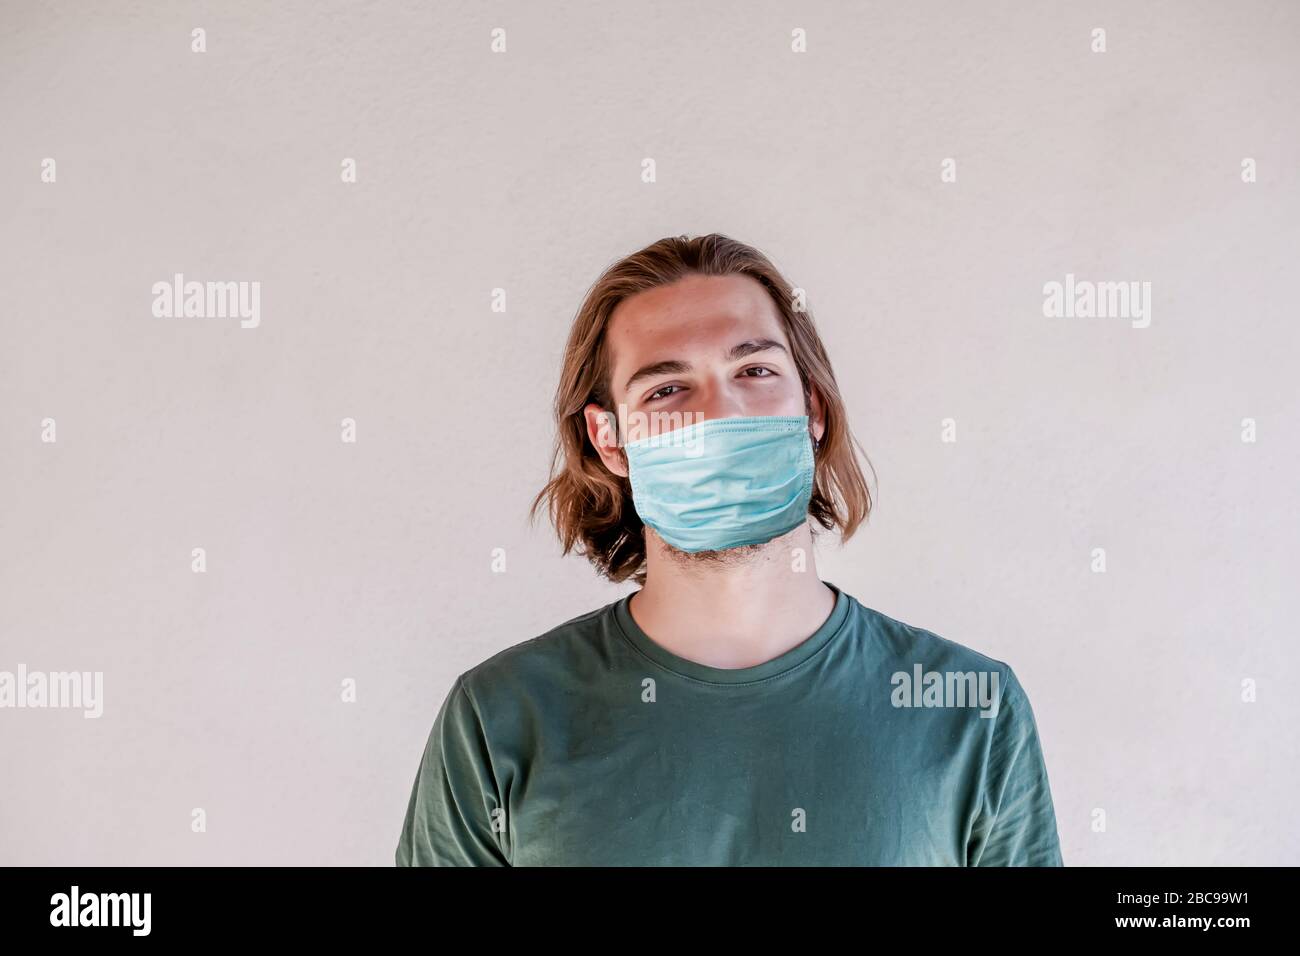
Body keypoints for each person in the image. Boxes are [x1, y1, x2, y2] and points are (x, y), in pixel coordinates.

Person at [396, 233, 1064, 866]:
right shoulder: (501, 718)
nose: (721, 414)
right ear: (610, 440)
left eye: (754, 370)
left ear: (814, 407)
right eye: (666, 389)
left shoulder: (967, 707)